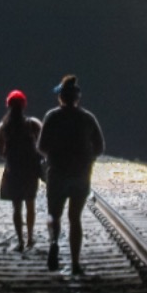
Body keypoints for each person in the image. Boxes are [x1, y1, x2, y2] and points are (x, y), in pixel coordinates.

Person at [37, 74, 104, 274]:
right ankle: (75, 264)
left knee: (53, 214)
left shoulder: (52, 116)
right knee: (75, 218)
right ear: (78, 97)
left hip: (57, 173)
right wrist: (87, 158)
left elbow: (41, 146)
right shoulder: (87, 118)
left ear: (61, 98)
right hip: (81, 175)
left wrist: (53, 154)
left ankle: (54, 243)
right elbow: (100, 147)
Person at [0, 89, 42, 252]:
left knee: (17, 207)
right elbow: (43, 144)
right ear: (24, 105)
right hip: (30, 170)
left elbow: (0, 152)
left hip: (13, 170)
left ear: (8, 105)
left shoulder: (3, 126)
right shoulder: (33, 123)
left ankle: (21, 241)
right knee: (30, 203)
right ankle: (30, 238)